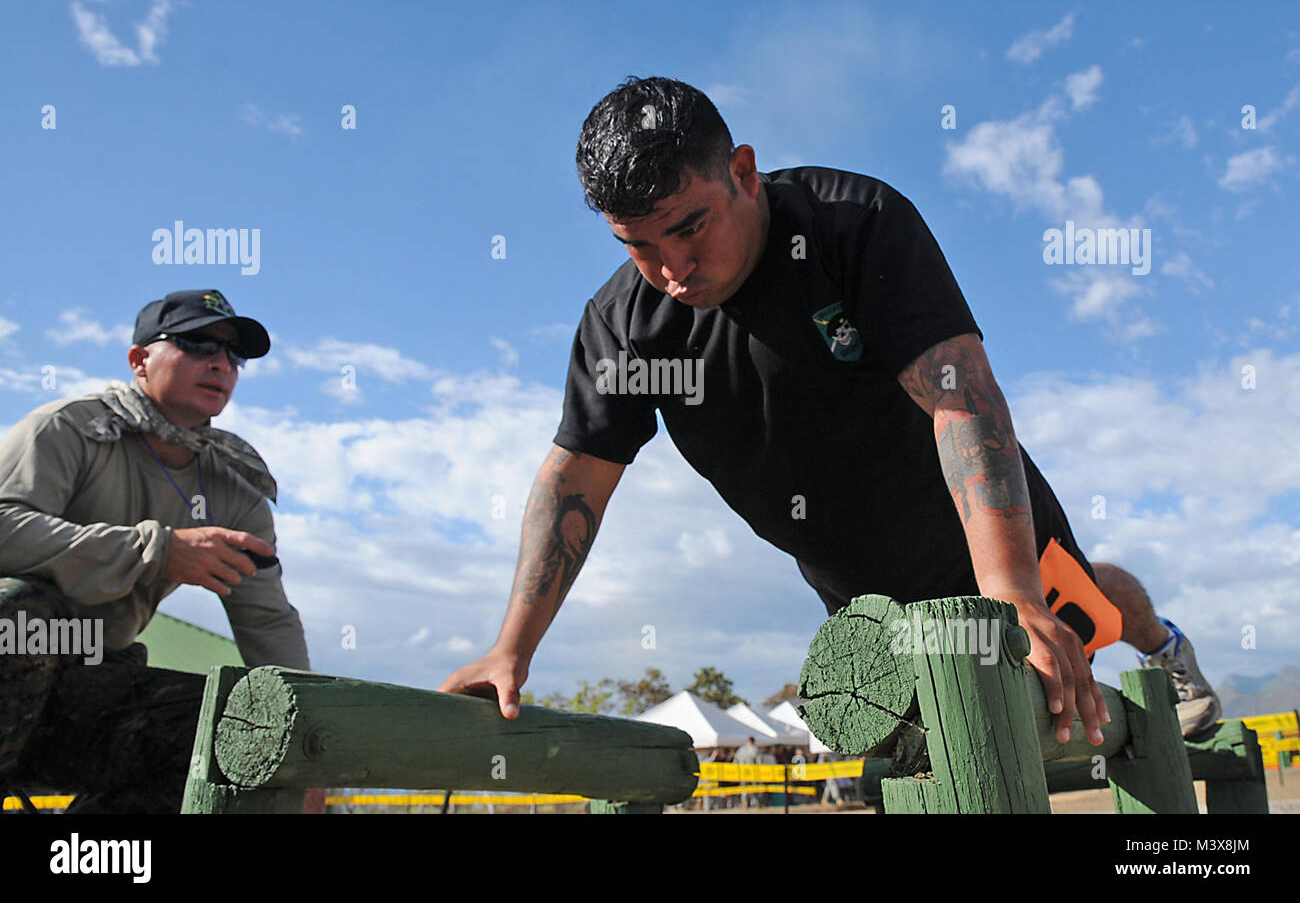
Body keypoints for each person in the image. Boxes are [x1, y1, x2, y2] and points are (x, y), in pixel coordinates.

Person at [439, 76, 1220, 750]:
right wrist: (513, 648)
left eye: (689, 227)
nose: (672, 270)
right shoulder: (624, 326)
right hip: (862, 599)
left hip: (986, 541)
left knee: (1091, 600)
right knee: (929, 766)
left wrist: (1011, 585)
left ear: (743, 171)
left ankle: (1163, 647)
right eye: (638, 245)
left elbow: (961, 396)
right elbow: (575, 478)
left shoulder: (852, 222)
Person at [0, 288, 314, 813]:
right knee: (23, 612)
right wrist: (156, 551)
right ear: (139, 360)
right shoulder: (70, 429)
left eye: (232, 355)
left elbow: (269, 623)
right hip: (13, 658)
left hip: (90, 686)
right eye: (195, 344)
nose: (219, 363)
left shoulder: (234, 489)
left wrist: (306, 753)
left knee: (237, 734)